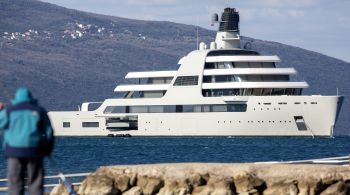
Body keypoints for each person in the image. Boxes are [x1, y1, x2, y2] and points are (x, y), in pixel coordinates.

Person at [0, 88, 54, 195]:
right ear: (31, 97)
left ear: (16, 98)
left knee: (15, 183)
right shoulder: (39, 110)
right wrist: (48, 149)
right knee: (35, 182)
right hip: (34, 151)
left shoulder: (9, 111)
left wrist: (1, 111)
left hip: (14, 151)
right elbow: (49, 132)